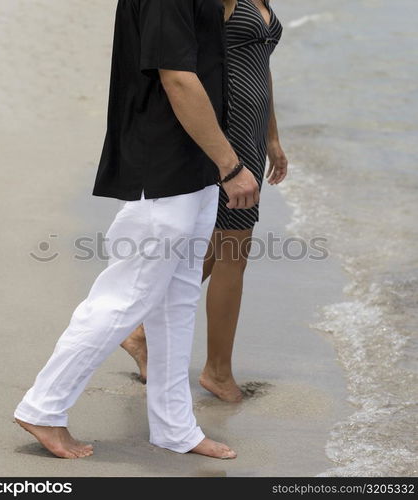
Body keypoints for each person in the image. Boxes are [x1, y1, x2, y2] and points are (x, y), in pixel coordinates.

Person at [13, 0, 259, 460]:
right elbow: (178, 77)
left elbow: (208, 53)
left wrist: (219, 162)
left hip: (196, 162)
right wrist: (231, 165)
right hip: (164, 164)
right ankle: (43, 406)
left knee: (177, 298)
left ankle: (174, 426)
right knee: (125, 296)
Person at [122, 0, 288, 402]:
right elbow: (194, 62)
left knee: (220, 244)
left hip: (251, 131)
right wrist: (225, 154)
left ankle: (140, 332)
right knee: (233, 249)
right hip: (224, 129)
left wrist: (272, 138)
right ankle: (217, 371)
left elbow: (260, 66)